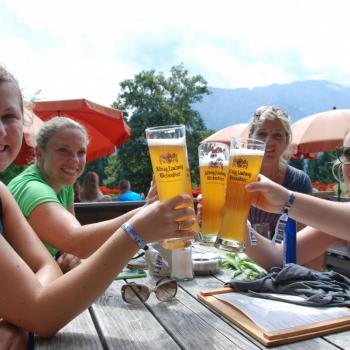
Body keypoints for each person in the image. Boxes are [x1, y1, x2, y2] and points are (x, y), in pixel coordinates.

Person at [0, 65, 195, 347]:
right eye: (63, 151)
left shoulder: (12, 191)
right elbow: (76, 246)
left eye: (8, 116)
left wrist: (20, 312)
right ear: (39, 153)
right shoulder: (32, 188)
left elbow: (49, 265)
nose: (75, 160)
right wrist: (137, 228)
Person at [247, 106, 313, 236]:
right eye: (262, 134)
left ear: (287, 140)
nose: (269, 142)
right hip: (234, 255)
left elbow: (303, 234)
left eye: (277, 135)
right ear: (250, 138)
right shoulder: (237, 177)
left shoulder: (299, 181)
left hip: (283, 255)